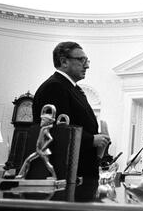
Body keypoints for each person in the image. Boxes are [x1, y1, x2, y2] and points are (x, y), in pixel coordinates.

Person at [32, 41, 110, 179]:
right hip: (66, 173)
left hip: (80, 169)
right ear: (64, 62)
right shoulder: (55, 86)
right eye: (81, 60)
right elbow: (56, 131)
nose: (86, 65)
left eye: (87, 61)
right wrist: (91, 139)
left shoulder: (72, 88)